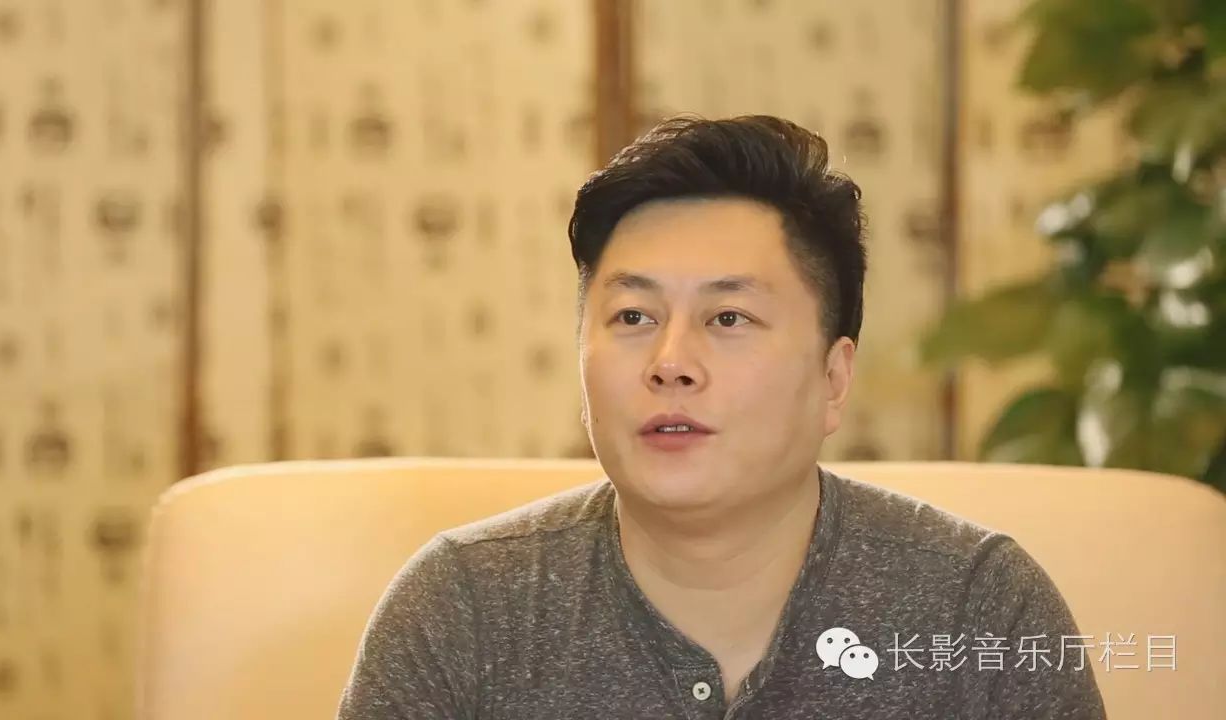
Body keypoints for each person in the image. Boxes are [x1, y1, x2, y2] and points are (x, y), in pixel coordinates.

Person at [335, 115, 1107, 719]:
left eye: (729, 318)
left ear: (834, 377)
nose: (670, 361)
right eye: (633, 317)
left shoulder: (977, 609)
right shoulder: (463, 608)